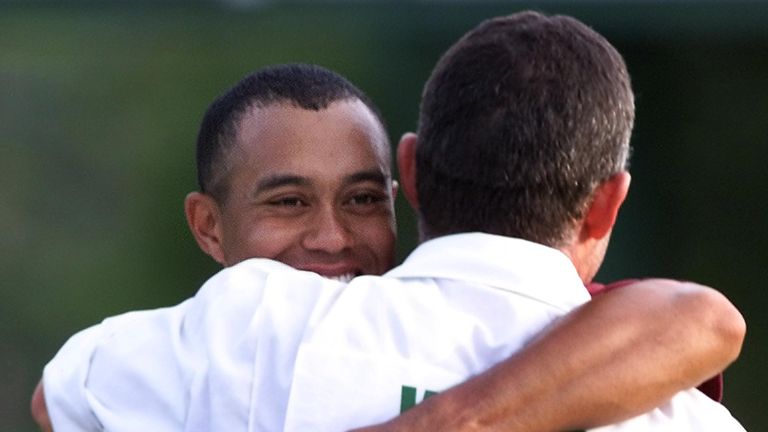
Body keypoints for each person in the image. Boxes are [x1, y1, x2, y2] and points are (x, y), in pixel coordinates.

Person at [32, 48, 744, 431]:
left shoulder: (241, 331)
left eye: (363, 200)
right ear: (608, 205)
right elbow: (703, 319)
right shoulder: (677, 408)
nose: (330, 237)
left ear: (410, 180)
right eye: (287, 201)